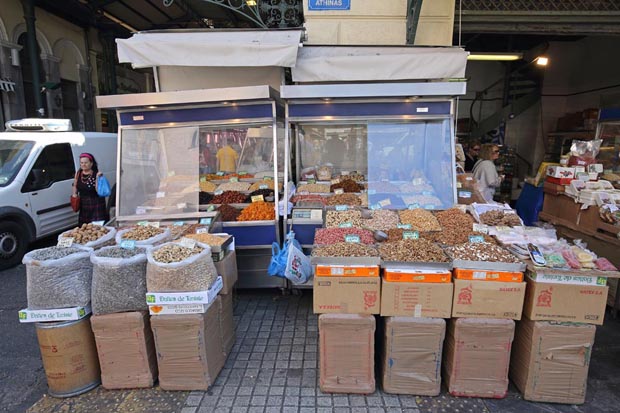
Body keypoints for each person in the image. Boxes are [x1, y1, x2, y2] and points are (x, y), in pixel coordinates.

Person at [72, 152, 108, 225]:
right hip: (84, 205)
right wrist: (74, 195)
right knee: (84, 228)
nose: (83, 165)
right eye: (81, 163)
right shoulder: (78, 173)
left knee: (97, 228)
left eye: (86, 162)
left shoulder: (97, 174)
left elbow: (99, 191)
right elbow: (75, 185)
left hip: (96, 204)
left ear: (91, 163)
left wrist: (98, 178)